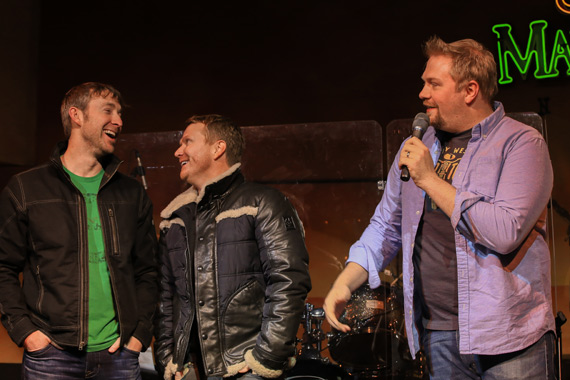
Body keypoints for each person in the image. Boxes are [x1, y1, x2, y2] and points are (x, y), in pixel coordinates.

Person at [323, 36, 555, 379]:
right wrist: (345, 282)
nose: (422, 93)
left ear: (470, 90)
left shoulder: (521, 144)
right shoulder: (417, 147)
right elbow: (386, 226)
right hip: (438, 335)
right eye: (423, 83)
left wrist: (431, 180)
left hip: (509, 336)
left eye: (433, 83)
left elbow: (505, 232)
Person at [0, 82, 158, 379]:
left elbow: (148, 271)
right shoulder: (25, 189)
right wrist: (26, 332)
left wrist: (139, 335)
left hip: (120, 358)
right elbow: (2, 267)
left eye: (120, 113)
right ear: (77, 115)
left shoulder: (132, 194)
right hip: (50, 357)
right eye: (108, 111)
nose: (119, 121)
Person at [154, 114, 311, 380]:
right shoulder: (174, 220)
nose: (178, 151)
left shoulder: (263, 202)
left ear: (218, 148)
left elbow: (288, 281)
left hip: (244, 369)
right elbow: (165, 299)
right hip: (188, 371)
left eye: (187, 141)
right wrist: (167, 359)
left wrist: (265, 358)